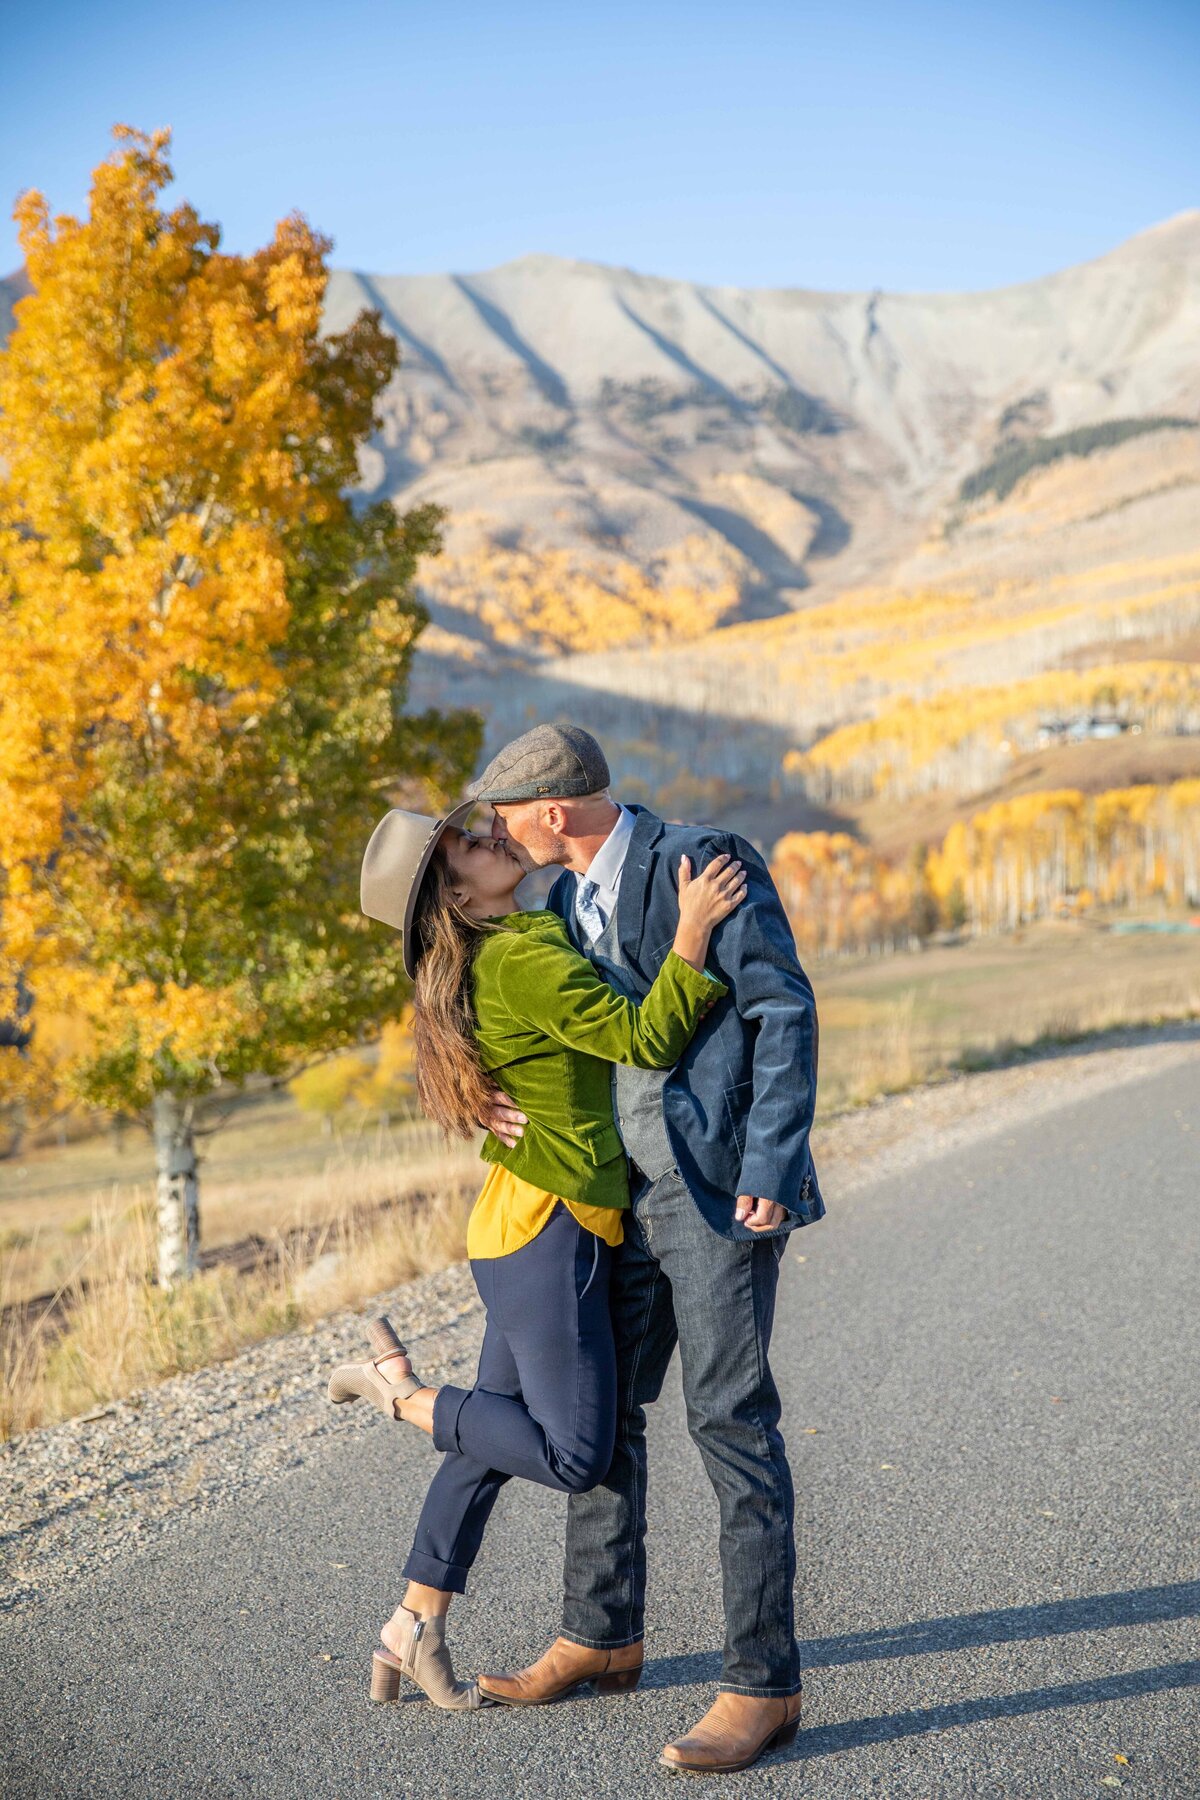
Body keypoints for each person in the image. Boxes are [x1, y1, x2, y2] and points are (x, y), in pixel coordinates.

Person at [325, 799, 747, 1713]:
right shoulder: (515, 959)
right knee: (573, 1456)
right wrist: (693, 932)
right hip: (547, 1236)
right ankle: (396, 1391)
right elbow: (644, 1037)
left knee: (485, 1441)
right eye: (467, 849)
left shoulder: (518, 939)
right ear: (457, 901)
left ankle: (412, 1623)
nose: (488, 841)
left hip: (523, 1224)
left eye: (474, 831)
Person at [470, 724, 823, 1775]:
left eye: (502, 815)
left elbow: (782, 1009)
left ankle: (764, 1686)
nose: (495, 831)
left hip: (714, 1198)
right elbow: (546, 1030)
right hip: (615, 1207)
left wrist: (770, 1161)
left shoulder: (699, 863)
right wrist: (483, 1100)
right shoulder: (549, 905)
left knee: (729, 1422)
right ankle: (600, 1634)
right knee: (605, 1411)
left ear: (549, 813)